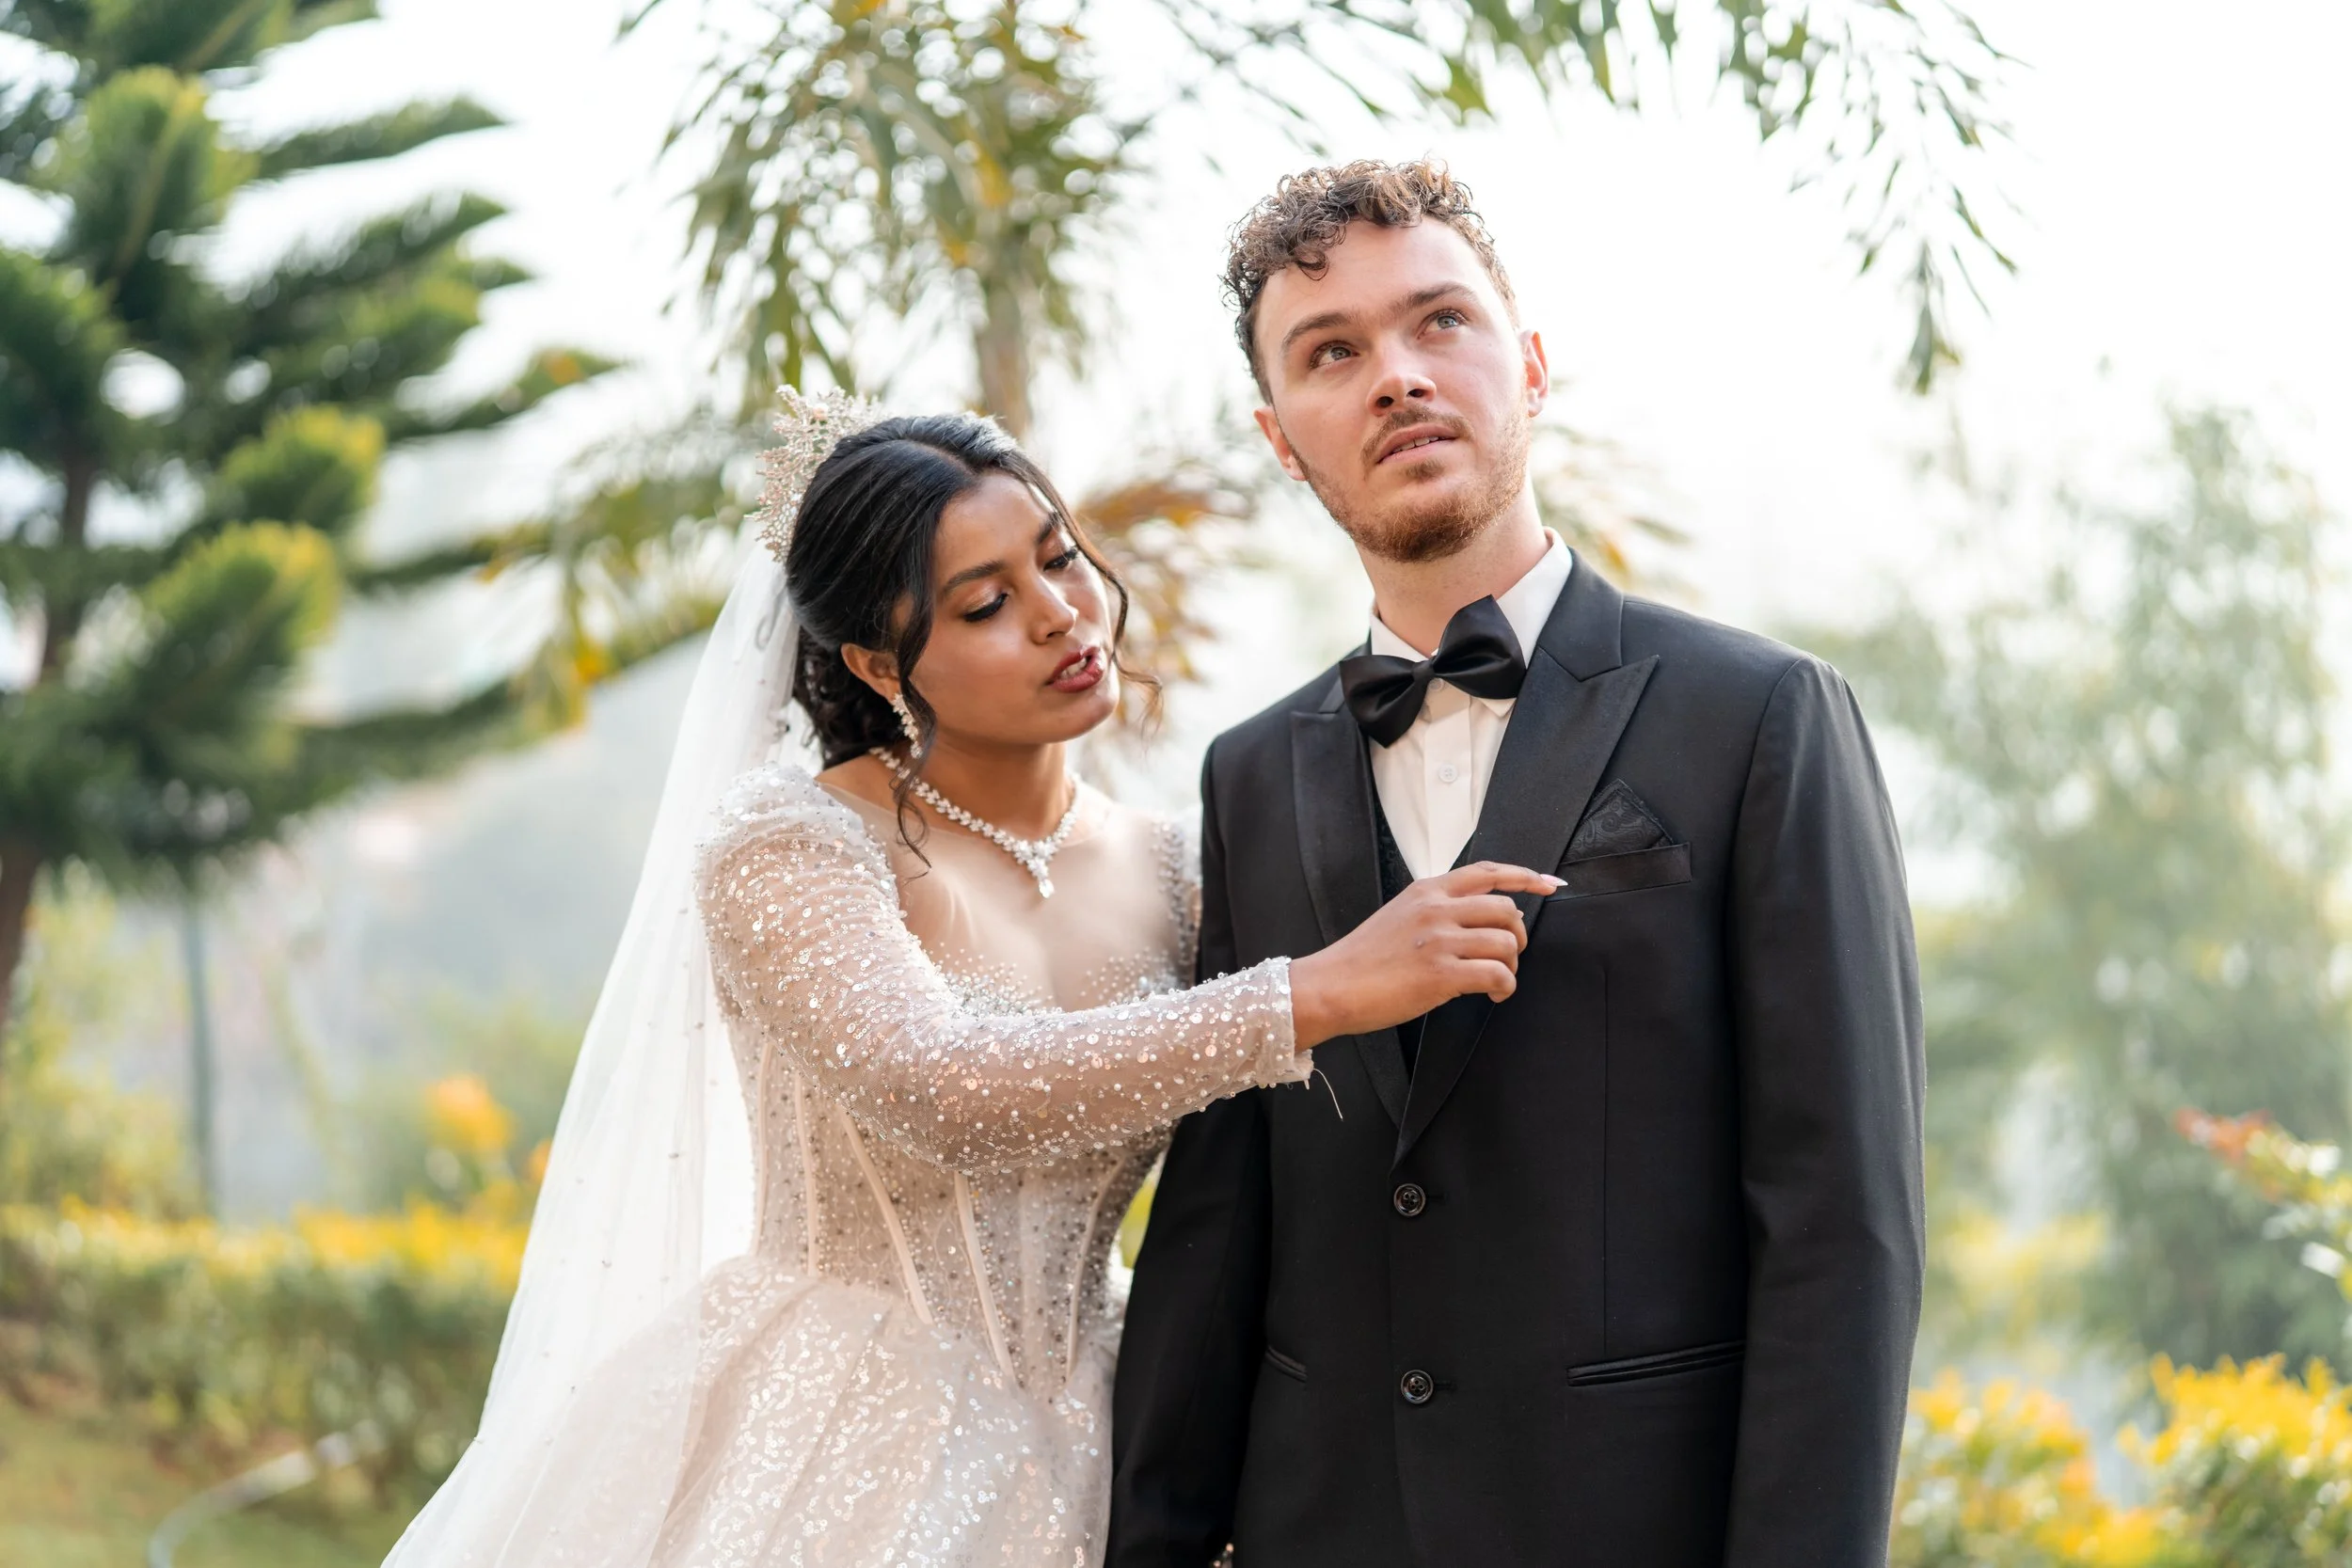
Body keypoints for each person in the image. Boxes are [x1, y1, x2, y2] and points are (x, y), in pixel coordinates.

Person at [378, 395, 1558, 1568]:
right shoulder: (790, 843)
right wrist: (1309, 993)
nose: (1061, 614)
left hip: (1117, 1438)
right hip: (842, 1434)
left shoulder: (1178, 865)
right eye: (987, 603)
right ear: (877, 662)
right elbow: (935, 1085)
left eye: (1059, 558)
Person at [1107, 160, 1926, 1568]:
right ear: (1280, 437)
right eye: (1333, 352)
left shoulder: (1761, 716)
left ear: (1530, 365)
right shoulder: (1249, 770)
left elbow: (1842, 1228)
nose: (1398, 377)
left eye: (1442, 323)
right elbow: (1218, 1220)